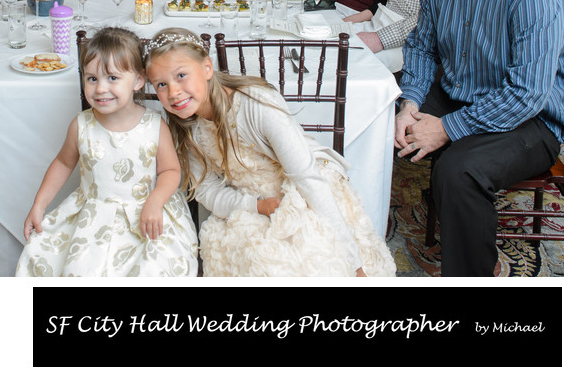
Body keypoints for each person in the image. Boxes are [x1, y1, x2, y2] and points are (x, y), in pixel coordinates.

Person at [395, 0, 564, 277]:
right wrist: (410, 104)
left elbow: (526, 94)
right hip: (462, 91)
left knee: (458, 170)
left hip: (533, 119)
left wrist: (446, 129)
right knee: (383, 116)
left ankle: (474, 274)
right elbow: (422, 47)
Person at [144, 28, 396, 277]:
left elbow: (307, 179)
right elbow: (207, 190)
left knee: (312, 259)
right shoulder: (188, 129)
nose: (173, 92)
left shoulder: (256, 104)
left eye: (181, 76)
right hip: (252, 204)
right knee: (254, 260)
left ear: (207, 68)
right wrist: (254, 205)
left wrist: (355, 265)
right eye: (161, 84)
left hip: (302, 192)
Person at [15, 27, 199, 277]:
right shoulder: (81, 125)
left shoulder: (154, 124)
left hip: (145, 212)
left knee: (154, 268)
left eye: (112, 78)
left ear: (137, 80)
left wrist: (155, 202)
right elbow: (63, 163)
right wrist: (39, 204)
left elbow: (170, 170)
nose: (100, 88)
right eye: (92, 78)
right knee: (75, 268)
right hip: (93, 216)